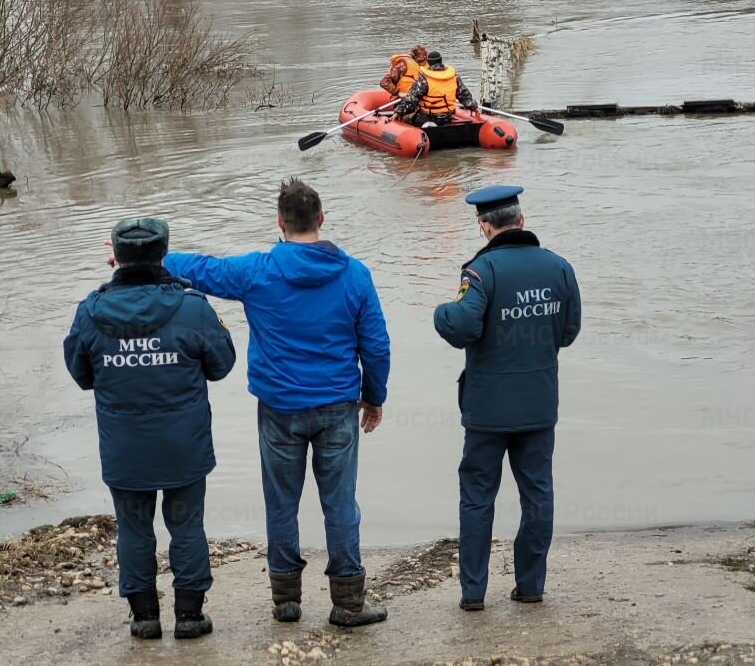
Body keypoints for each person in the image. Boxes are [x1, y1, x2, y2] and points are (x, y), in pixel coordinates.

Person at [160, 177, 391, 628]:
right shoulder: (355, 274)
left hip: (279, 409)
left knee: (281, 503)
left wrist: (148, 259)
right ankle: (348, 603)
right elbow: (377, 346)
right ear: (321, 218)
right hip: (338, 408)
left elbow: (200, 268)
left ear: (280, 221)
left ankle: (286, 601)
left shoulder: (256, 271)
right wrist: (374, 397)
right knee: (340, 504)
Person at [64, 217, 236, 640]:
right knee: (187, 526)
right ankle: (190, 617)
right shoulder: (193, 307)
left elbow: (81, 374)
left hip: (125, 448)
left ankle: (144, 619)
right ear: (163, 253)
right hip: (184, 445)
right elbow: (222, 365)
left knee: (134, 529)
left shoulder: (90, 312)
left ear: (116, 258)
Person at [433, 186, 581, 611]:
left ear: (485, 225)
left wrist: (439, 312)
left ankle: (473, 593)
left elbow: (460, 326)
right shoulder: (560, 268)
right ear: (521, 218)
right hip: (538, 405)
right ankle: (531, 585)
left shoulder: (481, 272)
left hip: (487, 410)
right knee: (538, 494)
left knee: (478, 497)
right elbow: (568, 334)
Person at [395, 50, 478, 127]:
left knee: (405, 119)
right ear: (441, 61)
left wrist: (397, 112)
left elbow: (411, 100)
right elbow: (465, 97)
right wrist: (473, 107)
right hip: (447, 116)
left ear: (429, 62)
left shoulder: (424, 80)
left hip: (427, 117)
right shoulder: (455, 78)